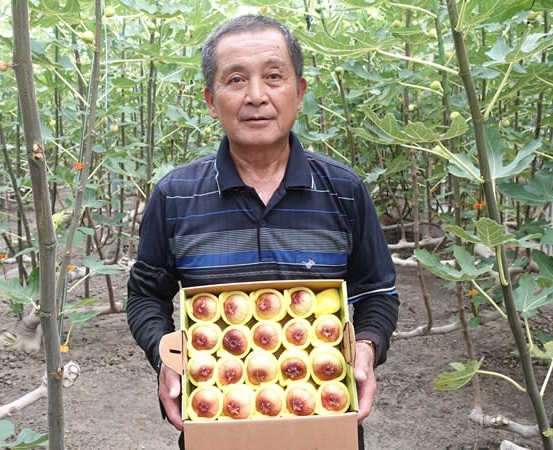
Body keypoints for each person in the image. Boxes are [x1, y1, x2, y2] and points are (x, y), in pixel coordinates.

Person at [126, 14, 399, 449]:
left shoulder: (344, 191)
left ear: (299, 92)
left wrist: (366, 346)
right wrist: (168, 356)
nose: (256, 96)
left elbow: (375, 292)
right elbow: (146, 296)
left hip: (323, 419)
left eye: (273, 76)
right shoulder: (175, 197)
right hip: (216, 420)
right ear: (211, 100)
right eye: (235, 79)